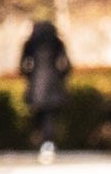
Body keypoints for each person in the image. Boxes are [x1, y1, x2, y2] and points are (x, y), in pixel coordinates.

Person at [17, 16, 72, 158]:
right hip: (54, 83)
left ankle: (43, 141)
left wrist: (30, 76)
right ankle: (48, 142)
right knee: (50, 116)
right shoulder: (57, 42)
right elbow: (67, 64)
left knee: (39, 115)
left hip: (36, 84)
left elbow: (22, 66)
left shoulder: (30, 43)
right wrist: (60, 76)